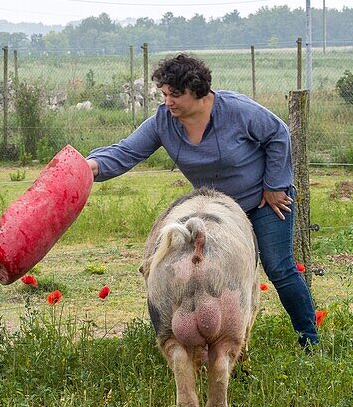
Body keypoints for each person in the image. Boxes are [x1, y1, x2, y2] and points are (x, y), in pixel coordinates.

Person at [86, 53, 319, 349]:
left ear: (198, 91)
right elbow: (126, 152)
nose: (168, 101)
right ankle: (218, 343)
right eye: (165, 94)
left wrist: (274, 184)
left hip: (261, 202)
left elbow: (278, 134)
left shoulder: (236, 110)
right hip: (218, 213)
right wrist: (90, 167)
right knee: (212, 270)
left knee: (279, 267)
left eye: (176, 94)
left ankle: (310, 341)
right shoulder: (164, 122)